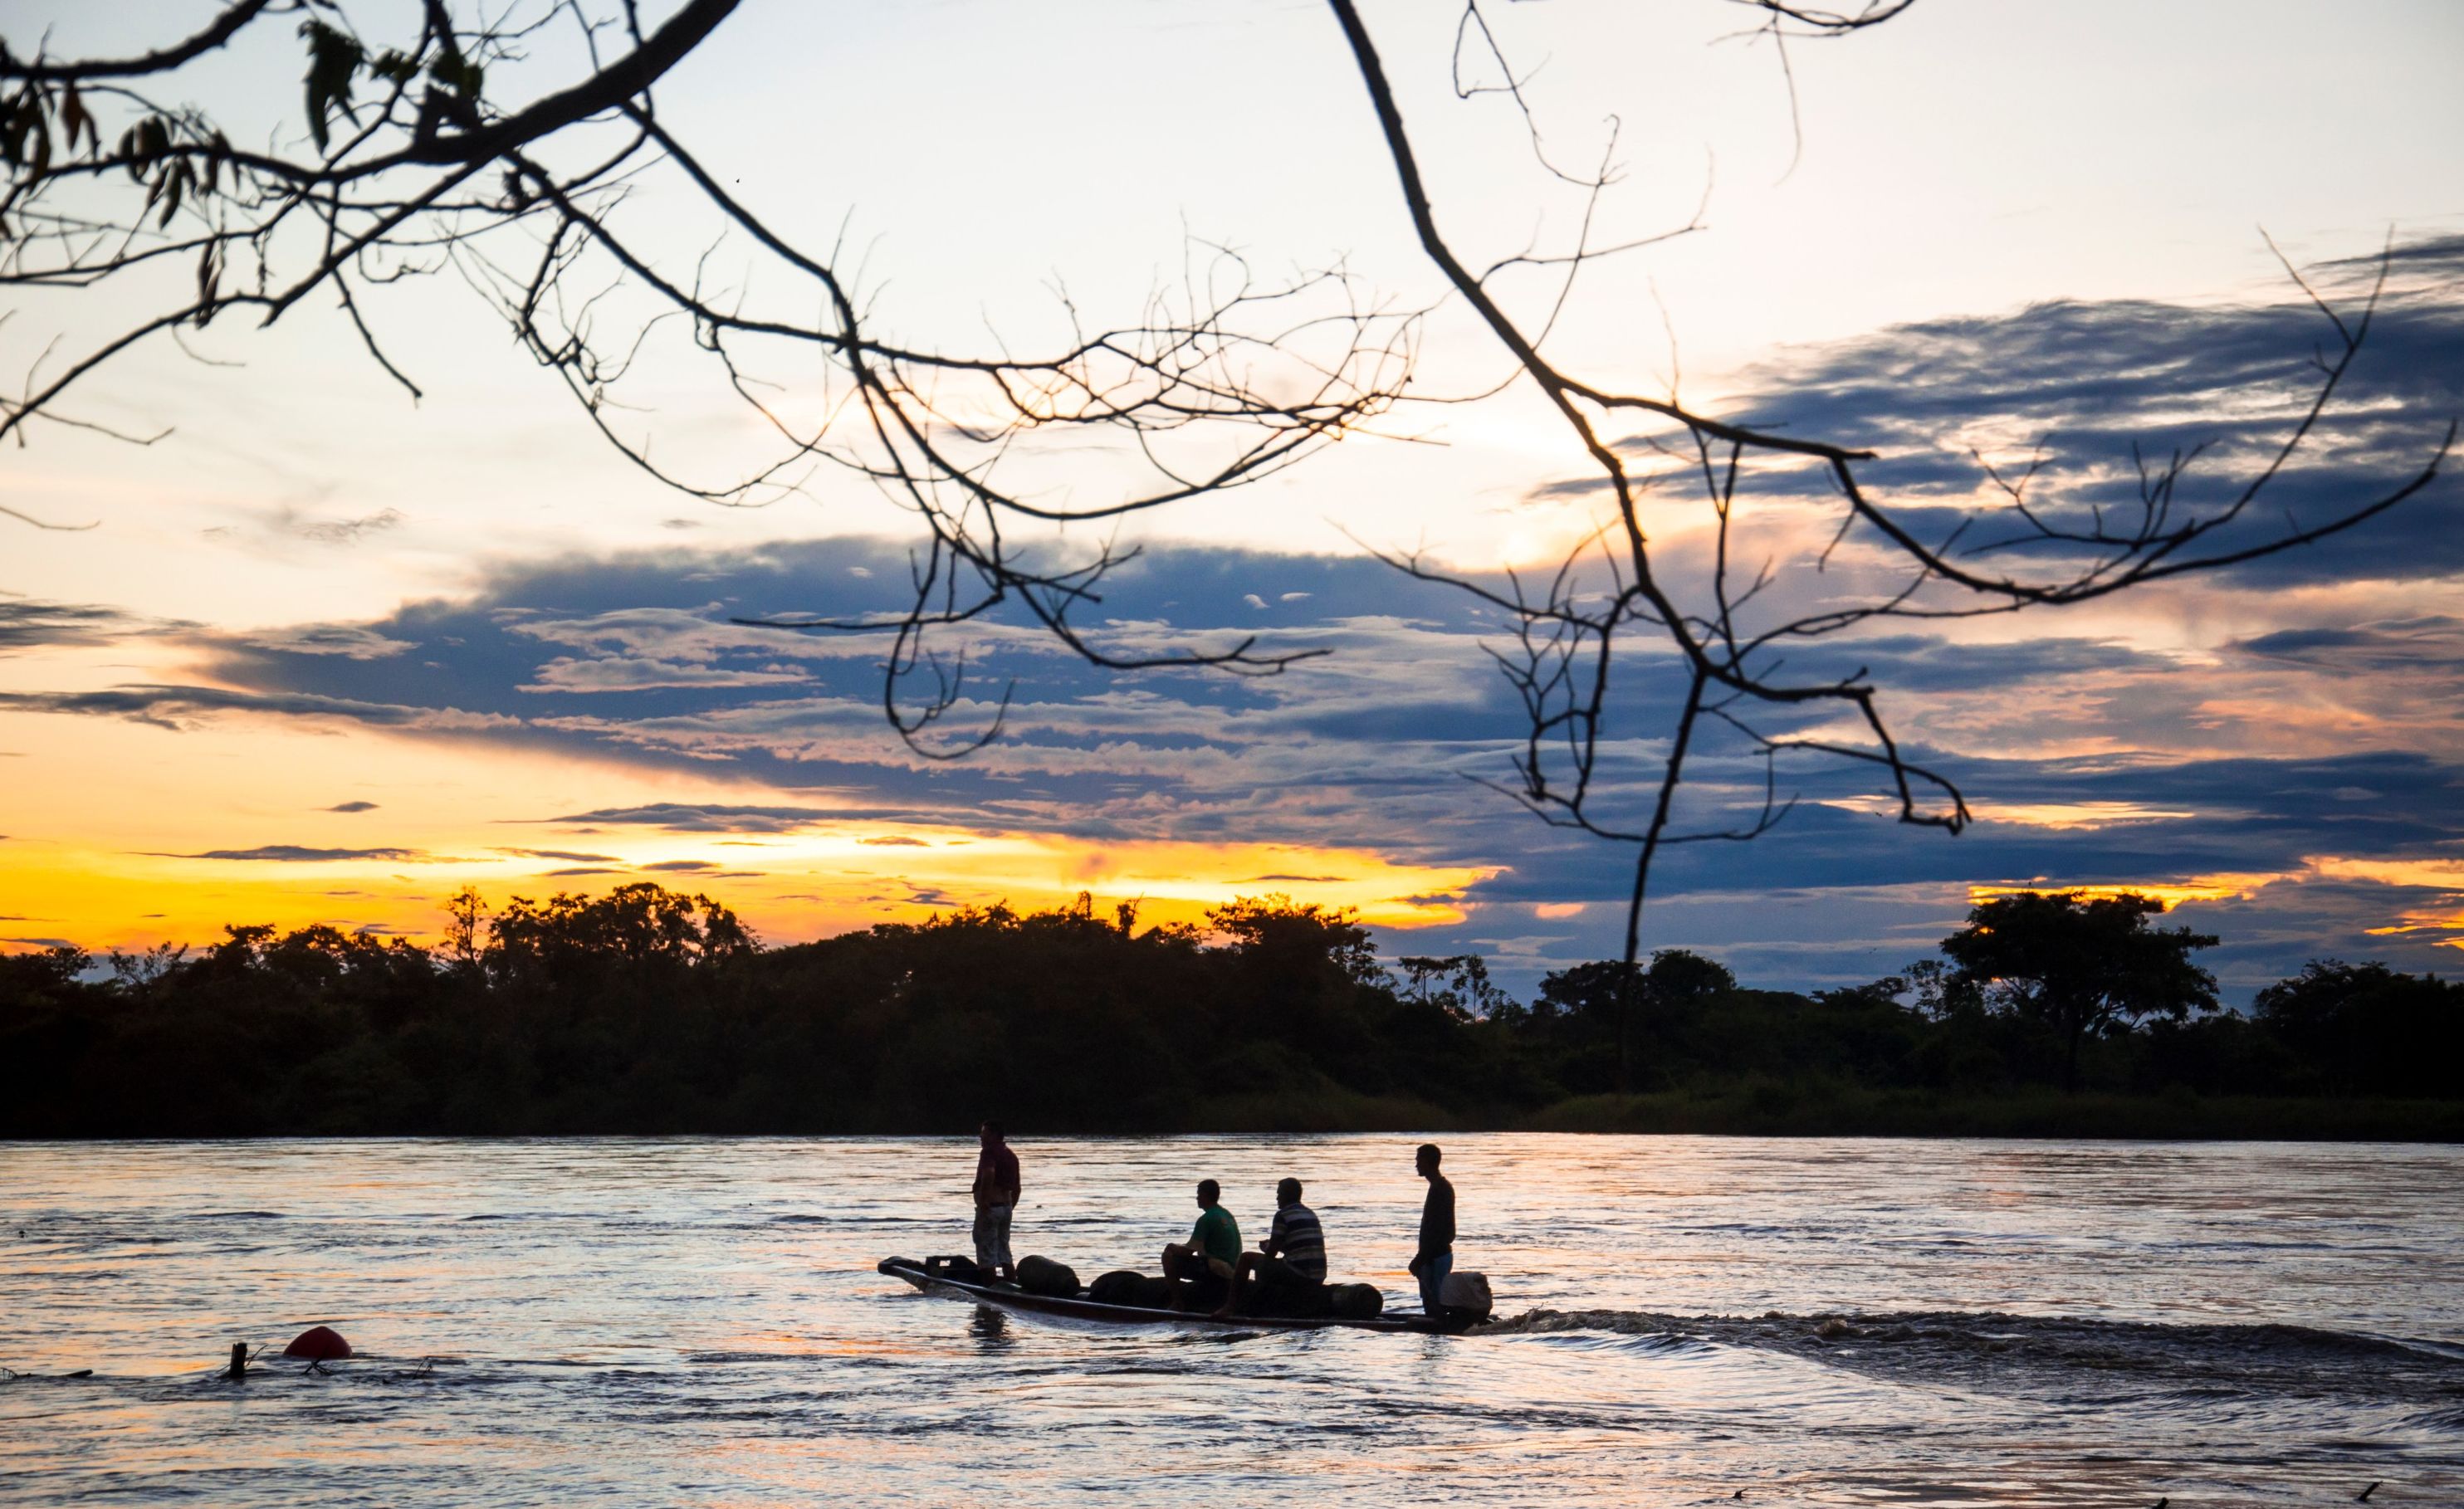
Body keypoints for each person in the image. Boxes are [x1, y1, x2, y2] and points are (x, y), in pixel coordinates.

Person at [1215, 1175, 1327, 1319]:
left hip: (1300, 1274)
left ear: (1287, 1195)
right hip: (1318, 1275)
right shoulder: (1310, 1213)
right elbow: (1297, 1247)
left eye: (1279, 1194)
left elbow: (1271, 1254)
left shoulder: (1283, 1215)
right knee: (1266, 1266)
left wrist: (1266, 1247)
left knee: (1246, 1258)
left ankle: (1230, 1307)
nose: (1277, 1198)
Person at [1160, 1178, 1240, 1311]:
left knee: (1168, 1257)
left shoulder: (1206, 1219)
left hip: (1218, 1269)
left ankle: (1177, 1302)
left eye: (1198, 1195)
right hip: (1233, 1267)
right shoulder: (1226, 1214)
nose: (1197, 1198)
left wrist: (1171, 1247)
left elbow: (1188, 1252)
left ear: (1205, 1196)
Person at [1407, 1142, 1454, 1316]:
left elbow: (1438, 1230)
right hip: (1434, 1256)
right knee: (1432, 1305)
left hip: (1436, 1258)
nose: (1416, 1165)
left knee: (1435, 1307)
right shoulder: (1439, 1187)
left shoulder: (1440, 1189)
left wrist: (1420, 1260)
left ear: (1428, 1162)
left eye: (1419, 1160)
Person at [971, 1121, 1019, 1282]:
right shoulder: (1011, 1155)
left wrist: (984, 1201)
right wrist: (1010, 1207)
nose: (981, 1136)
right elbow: (1018, 1187)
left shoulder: (988, 1152)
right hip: (1006, 1208)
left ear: (993, 1135)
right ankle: (1012, 1284)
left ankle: (990, 1288)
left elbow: (989, 1173)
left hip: (991, 1208)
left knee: (986, 1252)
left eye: (984, 1133)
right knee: (1004, 1250)